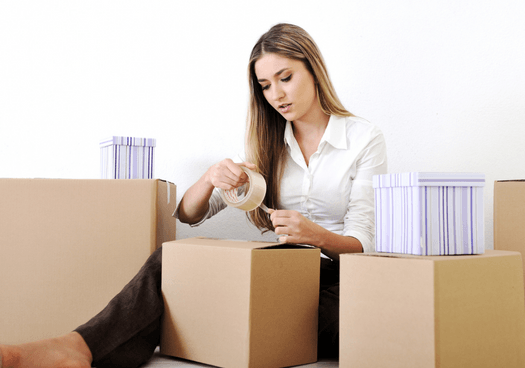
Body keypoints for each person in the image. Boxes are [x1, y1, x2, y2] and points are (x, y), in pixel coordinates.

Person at [0, 23, 387, 368]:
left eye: (285, 78)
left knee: (339, 319)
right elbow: (188, 215)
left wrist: (314, 234)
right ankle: (75, 346)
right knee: (171, 260)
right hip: (280, 272)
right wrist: (209, 178)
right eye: (265, 86)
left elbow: (364, 245)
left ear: (312, 69)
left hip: (336, 277)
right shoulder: (266, 143)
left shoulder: (363, 138)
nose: (276, 95)